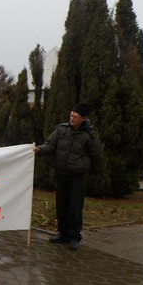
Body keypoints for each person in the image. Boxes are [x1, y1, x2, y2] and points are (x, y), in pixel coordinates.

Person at [35, 103, 104, 251]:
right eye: (71, 115)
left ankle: (74, 237)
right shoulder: (62, 129)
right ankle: (63, 234)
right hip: (61, 174)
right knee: (62, 205)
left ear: (83, 119)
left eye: (75, 117)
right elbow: (50, 145)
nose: (72, 118)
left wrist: (88, 169)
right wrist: (38, 150)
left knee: (74, 207)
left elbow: (97, 155)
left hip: (77, 176)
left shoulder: (89, 135)